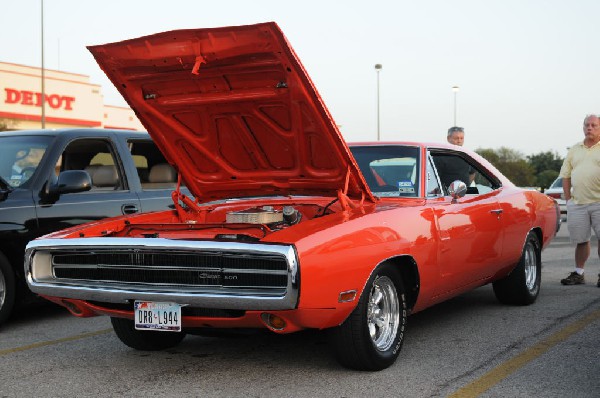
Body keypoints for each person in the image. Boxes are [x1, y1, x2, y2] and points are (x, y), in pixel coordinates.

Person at [559, 114, 600, 287]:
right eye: (586, 125)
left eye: (594, 125)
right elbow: (566, 176)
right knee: (581, 240)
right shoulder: (575, 149)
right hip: (578, 204)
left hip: (599, 203)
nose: (589, 128)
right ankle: (579, 273)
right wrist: (568, 199)